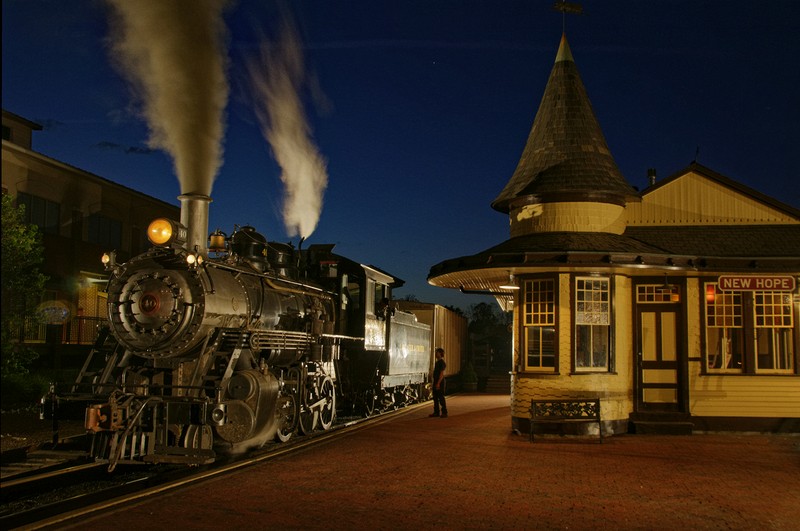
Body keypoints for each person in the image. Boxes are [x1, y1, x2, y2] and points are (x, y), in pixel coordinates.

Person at [430, 347, 448, 418]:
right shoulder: (437, 362)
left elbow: (441, 374)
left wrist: (438, 383)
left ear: (441, 353)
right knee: (435, 398)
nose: (436, 354)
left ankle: (444, 412)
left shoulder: (442, 363)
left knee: (441, 398)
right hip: (436, 381)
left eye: (437, 352)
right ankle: (436, 412)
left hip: (440, 382)